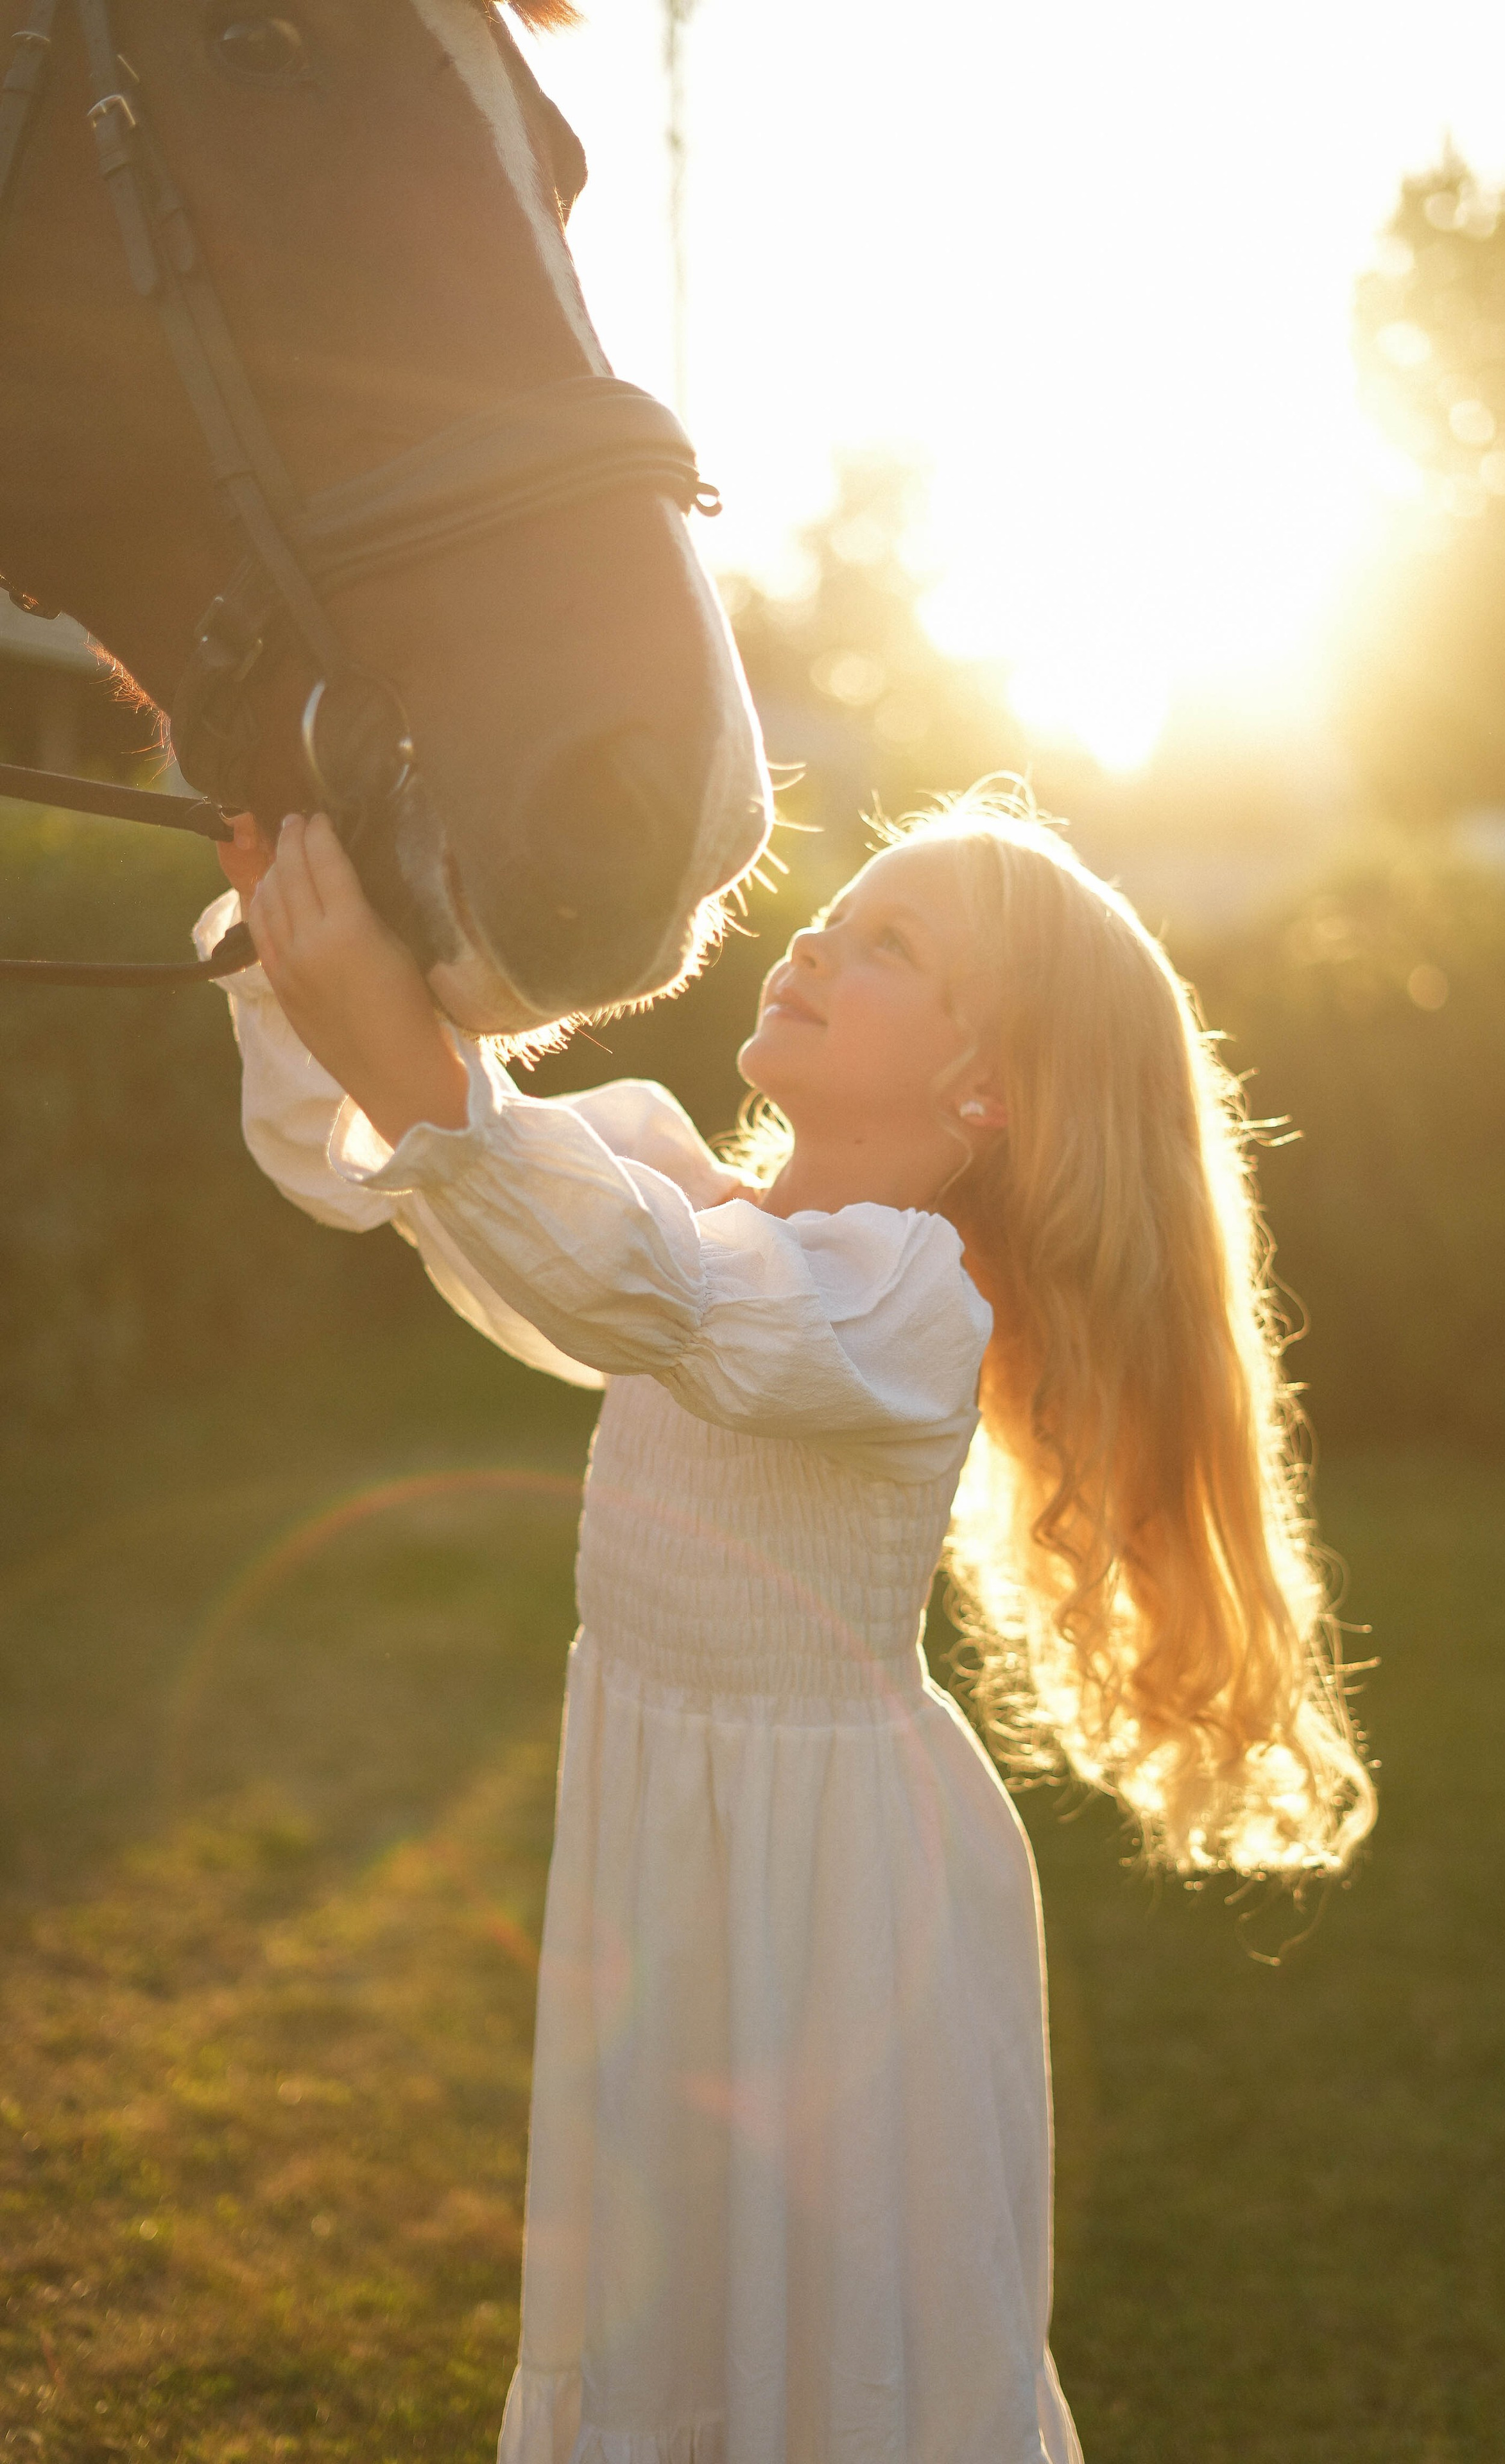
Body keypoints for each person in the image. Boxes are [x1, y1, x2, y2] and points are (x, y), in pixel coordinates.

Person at [202, 789, 1374, 2464]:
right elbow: (427, 1186)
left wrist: (413, 1061)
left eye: (890, 946)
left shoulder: (903, 1295)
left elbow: (642, 1288)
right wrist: (287, 953)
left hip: (839, 1903)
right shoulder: (676, 1186)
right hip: (676, 1860)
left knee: (832, 2342)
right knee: (672, 2301)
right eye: (843, 909)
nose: (819, 937)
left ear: (993, 1090)